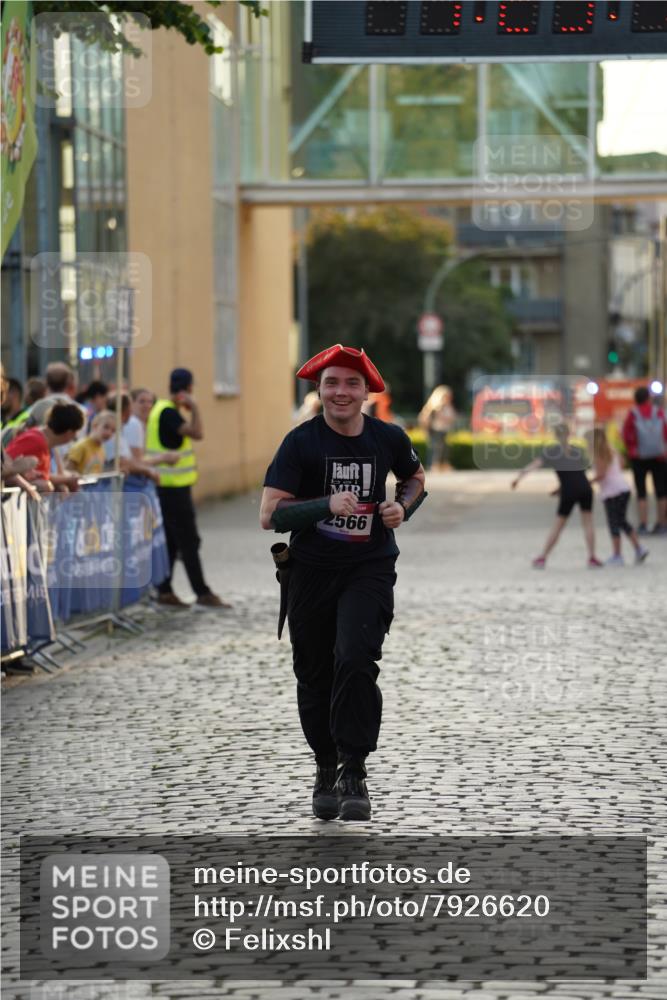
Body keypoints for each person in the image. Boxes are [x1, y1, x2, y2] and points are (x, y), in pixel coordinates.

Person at [260, 345, 427, 822]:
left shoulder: (388, 437)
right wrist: (324, 505)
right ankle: (324, 764)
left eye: (352, 383)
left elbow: (415, 478)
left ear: (367, 391)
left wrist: (403, 507)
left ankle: (354, 767)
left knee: (355, 659)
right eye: (332, 382)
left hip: (368, 567)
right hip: (310, 571)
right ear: (320, 389)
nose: (341, 392)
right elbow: (270, 515)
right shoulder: (300, 443)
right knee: (314, 674)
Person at [145, 368, 230, 609]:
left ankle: (164, 589)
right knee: (189, 541)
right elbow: (198, 433)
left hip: (168, 487)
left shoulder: (159, 408)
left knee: (173, 540)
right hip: (173, 489)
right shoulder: (169, 413)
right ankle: (202, 592)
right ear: (188, 388)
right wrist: (195, 407)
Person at [511, 422, 602, 569]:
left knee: (558, 525)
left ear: (555, 435)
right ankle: (592, 557)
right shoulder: (576, 450)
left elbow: (534, 466)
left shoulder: (552, 452)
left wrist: (518, 478)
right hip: (585, 488)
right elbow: (576, 474)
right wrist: (559, 489)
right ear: (569, 434)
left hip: (569, 491)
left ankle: (542, 557)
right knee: (588, 523)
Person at [589, 426, 648, 567]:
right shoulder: (612, 450)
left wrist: (588, 482)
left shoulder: (599, 454)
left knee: (614, 523)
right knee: (622, 521)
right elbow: (622, 463)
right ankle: (639, 548)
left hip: (612, 492)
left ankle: (617, 555)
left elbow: (601, 474)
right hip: (623, 488)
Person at [5, 402, 84, 493]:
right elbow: (6, 466)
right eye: (75, 432)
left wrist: (63, 481)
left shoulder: (43, 440)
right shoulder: (36, 440)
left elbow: (41, 475)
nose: (75, 437)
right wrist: (66, 480)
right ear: (69, 432)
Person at [621, 385, 667, 535]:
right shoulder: (658, 412)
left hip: (639, 457)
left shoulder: (633, 414)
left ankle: (643, 524)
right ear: (649, 397)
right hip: (659, 456)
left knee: (641, 492)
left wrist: (631, 449)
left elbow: (626, 435)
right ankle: (662, 524)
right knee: (661, 491)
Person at [66, 410, 116, 476]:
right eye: (106, 427)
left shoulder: (102, 450)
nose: (109, 433)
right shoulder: (80, 446)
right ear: (95, 425)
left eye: (113, 430)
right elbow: (67, 471)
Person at [418, 385, 456, 470]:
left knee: (445, 448)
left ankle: (444, 464)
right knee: (437, 448)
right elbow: (424, 418)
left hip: (444, 429)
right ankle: (435, 465)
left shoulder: (448, 407)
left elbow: (452, 417)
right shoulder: (434, 407)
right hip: (435, 430)